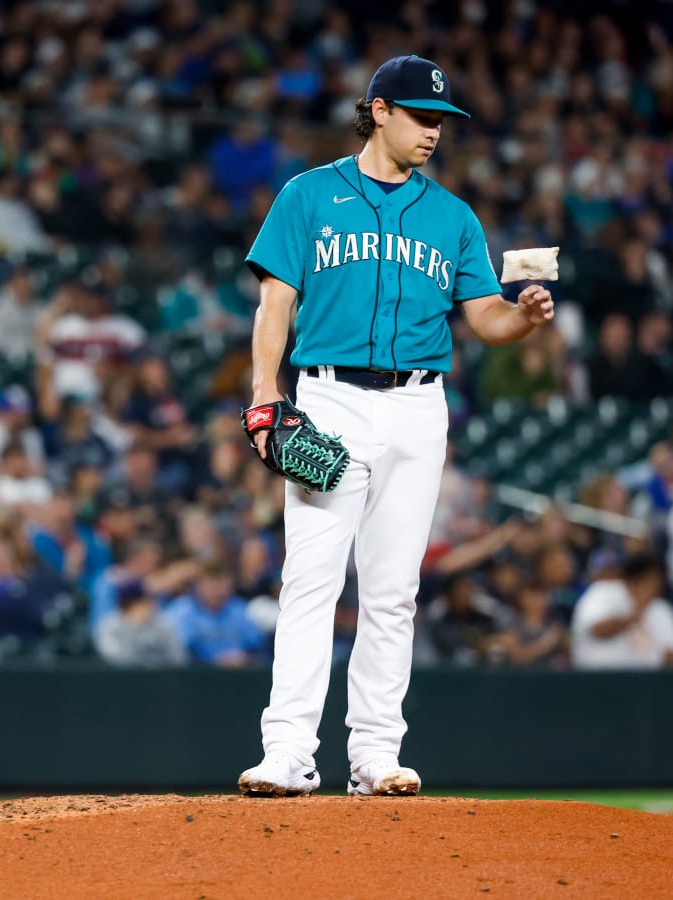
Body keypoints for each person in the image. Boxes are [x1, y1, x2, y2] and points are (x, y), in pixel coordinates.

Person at [237, 56, 555, 799]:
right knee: (311, 580)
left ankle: (376, 754)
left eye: (441, 121)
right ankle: (287, 751)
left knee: (392, 590)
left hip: (419, 406)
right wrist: (264, 394)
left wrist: (525, 317)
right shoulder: (308, 195)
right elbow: (275, 304)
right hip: (329, 400)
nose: (433, 131)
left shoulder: (452, 217)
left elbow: (485, 319)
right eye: (421, 116)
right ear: (378, 111)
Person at [570, 551, 673, 669]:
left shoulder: (659, 608)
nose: (654, 588)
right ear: (633, 580)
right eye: (649, 581)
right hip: (595, 679)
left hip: (645, 682)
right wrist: (632, 618)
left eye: (658, 583)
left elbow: (669, 652)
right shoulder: (604, 591)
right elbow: (597, 630)